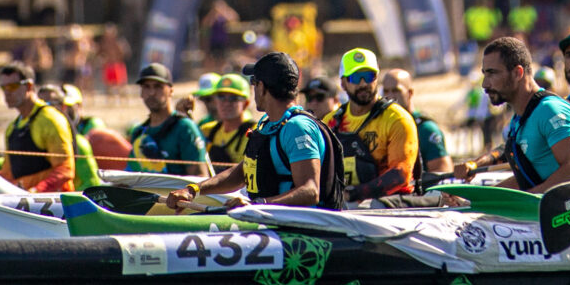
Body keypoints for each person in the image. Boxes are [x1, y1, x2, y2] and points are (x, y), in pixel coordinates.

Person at [188, 52, 342, 207]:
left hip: (298, 221)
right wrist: (193, 190)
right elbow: (242, 172)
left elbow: (310, 191)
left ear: (261, 87)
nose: (254, 89)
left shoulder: (297, 128)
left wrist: (257, 205)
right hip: (269, 217)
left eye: (254, 83)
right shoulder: (268, 124)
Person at [468, 32, 570, 194]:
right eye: (485, 74)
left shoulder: (550, 110)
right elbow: (526, 181)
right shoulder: (519, 119)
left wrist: (529, 200)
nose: (485, 84)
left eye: (492, 73)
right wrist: (477, 198)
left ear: (517, 73)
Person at [333, 46, 421, 201]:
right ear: (343, 83)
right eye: (355, 78)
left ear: (377, 79)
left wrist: (354, 194)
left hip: (391, 204)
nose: (363, 84)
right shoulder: (331, 122)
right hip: (344, 204)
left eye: (369, 76)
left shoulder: (397, 119)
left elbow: (401, 174)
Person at [0, 63, 78, 191]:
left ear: (29, 86)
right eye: (3, 88)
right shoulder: (12, 128)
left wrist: (36, 191)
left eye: (12, 86)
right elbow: (7, 175)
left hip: (53, 201)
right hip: (22, 199)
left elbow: (65, 170)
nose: (7, 93)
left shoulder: (50, 119)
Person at [123, 61, 212, 179]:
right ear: (141, 93)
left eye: (158, 87)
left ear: (171, 90)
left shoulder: (184, 128)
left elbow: (200, 177)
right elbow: (131, 176)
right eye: (146, 87)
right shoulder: (139, 132)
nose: (152, 93)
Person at [382, 69, 452, 184]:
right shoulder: (382, 126)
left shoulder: (425, 129)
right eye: (386, 91)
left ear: (410, 93)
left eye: (396, 91)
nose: (390, 96)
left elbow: (442, 175)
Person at [201, 75, 253, 171]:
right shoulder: (207, 131)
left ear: (245, 104)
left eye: (233, 98)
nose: (226, 103)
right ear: (215, 101)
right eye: (221, 97)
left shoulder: (254, 133)